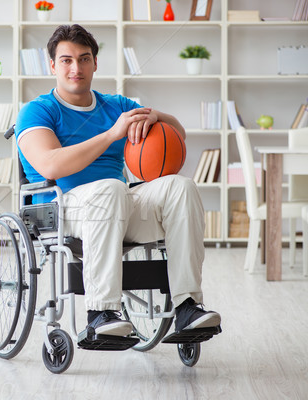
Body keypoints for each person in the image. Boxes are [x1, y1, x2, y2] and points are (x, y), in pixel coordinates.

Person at [15, 24, 221, 337]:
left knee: (182, 187)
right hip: (62, 208)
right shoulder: (38, 111)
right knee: (111, 189)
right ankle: (101, 312)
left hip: (116, 204)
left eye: (84, 59)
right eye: (67, 60)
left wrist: (155, 117)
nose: (76, 68)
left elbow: (177, 130)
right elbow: (49, 165)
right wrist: (112, 133)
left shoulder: (117, 106)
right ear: (53, 65)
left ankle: (187, 306)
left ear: (95, 63)